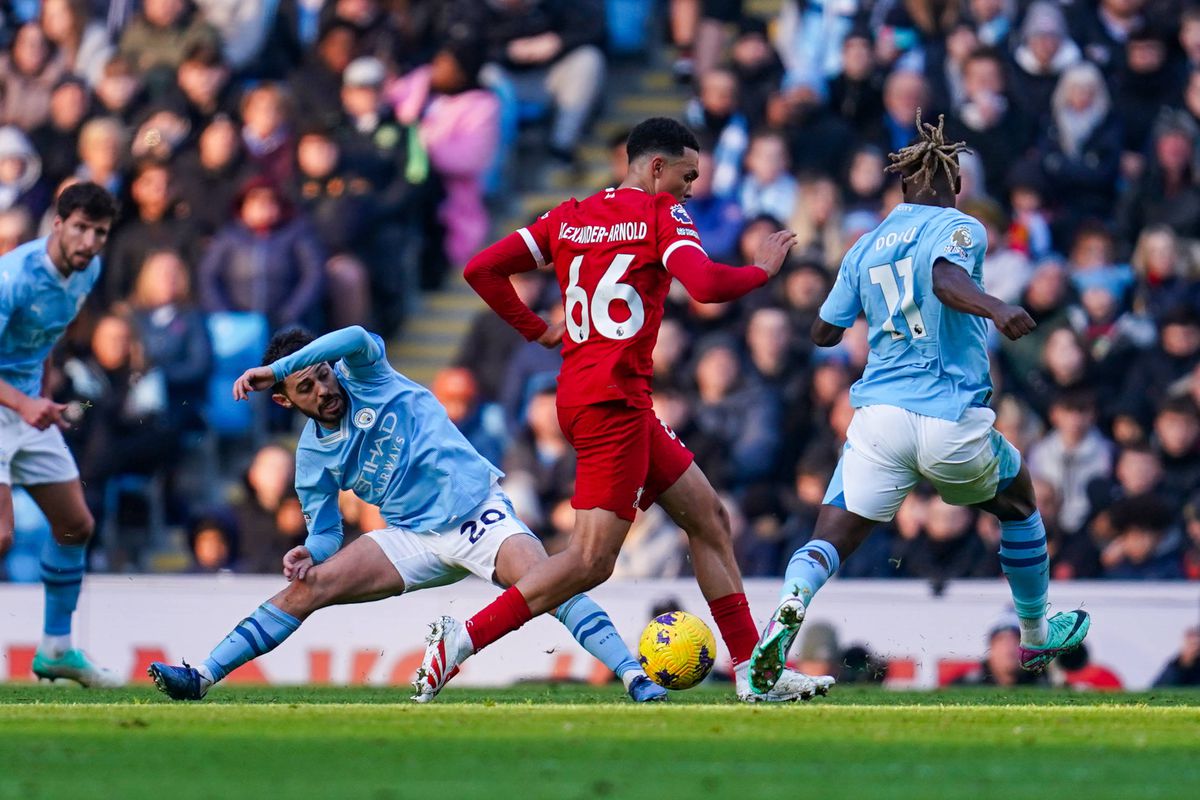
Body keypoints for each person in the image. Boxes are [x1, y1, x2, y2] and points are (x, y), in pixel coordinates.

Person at [426, 117, 834, 704]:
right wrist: (762, 271)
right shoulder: (659, 215)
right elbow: (708, 285)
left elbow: (480, 268)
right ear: (656, 167)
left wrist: (538, 330)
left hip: (599, 396)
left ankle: (755, 671)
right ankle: (461, 638)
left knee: (708, 518)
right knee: (590, 561)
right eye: (688, 175)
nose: (693, 188)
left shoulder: (568, 215)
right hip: (612, 403)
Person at [746, 112, 1090, 697]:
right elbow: (942, 278)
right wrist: (994, 307)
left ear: (901, 186)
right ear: (952, 183)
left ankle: (788, 609)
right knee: (1020, 501)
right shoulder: (960, 226)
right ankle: (1036, 631)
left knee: (830, 534)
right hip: (948, 414)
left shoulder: (865, 245)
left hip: (879, 419)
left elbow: (825, 333)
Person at [147, 326, 666, 703]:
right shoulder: (311, 458)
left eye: (322, 375)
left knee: (548, 581)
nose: (324, 390)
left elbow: (351, 333)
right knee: (309, 588)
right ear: (284, 402)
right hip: (412, 537)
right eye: (305, 388)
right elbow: (326, 531)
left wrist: (280, 368)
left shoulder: (366, 373)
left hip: (477, 515)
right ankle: (203, 676)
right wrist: (312, 551)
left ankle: (632, 674)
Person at [0, 182, 120, 687]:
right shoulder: (13, 277)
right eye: (80, 228)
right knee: (2, 535)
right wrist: (26, 402)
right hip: (9, 405)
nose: (90, 241)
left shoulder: (87, 271)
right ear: (57, 224)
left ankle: (55, 650)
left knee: (75, 525)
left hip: (28, 408)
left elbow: (48, 332)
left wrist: (43, 387)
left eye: (100, 232)